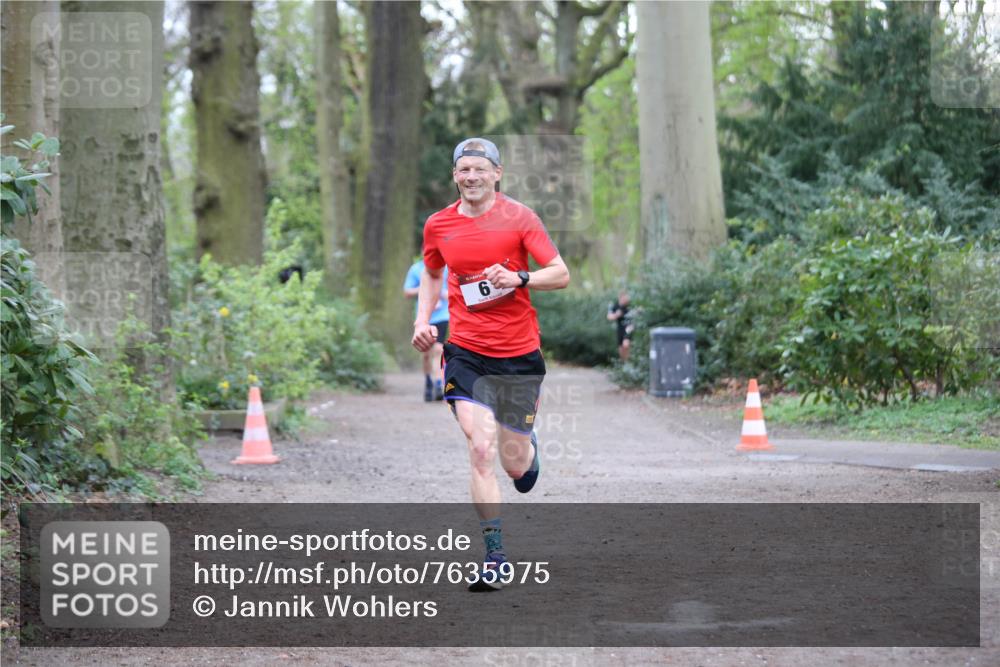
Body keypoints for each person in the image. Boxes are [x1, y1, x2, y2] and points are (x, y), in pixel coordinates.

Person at [411, 138, 570, 591]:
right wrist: (422, 319)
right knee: (480, 448)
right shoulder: (439, 224)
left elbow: (560, 272)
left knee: (515, 466)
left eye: (480, 169)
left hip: (519, 354)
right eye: (464, 170)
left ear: (497, 174)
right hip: (465, 352)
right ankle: (495, 555)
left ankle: (527, 449)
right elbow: (433, 271)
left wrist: (520, 276)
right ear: (455, 176)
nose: (472, 177)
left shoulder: (520, 218)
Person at [403, 257, 449, 401]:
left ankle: (438, 383)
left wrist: (442, 293)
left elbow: (454, 291)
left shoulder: (447, 268)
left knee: (438, 349)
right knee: (427, 353)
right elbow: (407, 292)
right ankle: (428, 381)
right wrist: (424, 288)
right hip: (424, 317)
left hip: (442, 316)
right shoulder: (416, 269)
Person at [607, 289, 634, 362]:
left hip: (629, 327)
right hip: (620, 328)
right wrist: (616, 315)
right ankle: (623, 362)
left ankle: (627, 362)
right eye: (624, 298)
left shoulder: (630, 305)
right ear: (620, 297)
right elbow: (609, 317)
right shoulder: (615, 306)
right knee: (621, 347)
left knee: (626, 344)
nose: (626, 300)